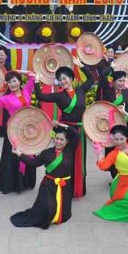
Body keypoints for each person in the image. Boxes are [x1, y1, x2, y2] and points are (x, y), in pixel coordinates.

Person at [34, 62, 94, 198]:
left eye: (65, 78)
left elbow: (91, 79)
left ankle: (78, 187)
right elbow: (40, 96)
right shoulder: (58, 96)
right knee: (67, 159)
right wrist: (36, 80)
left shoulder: (80, 90)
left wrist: (81, 65)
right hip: (66, 131)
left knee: (80, 159)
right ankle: (66, 188)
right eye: (60, 79)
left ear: (71, 79)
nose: (63, 81)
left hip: (79, 130)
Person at [10, 122, 80, 229]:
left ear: (67, 142)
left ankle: (62, 215)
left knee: (64, 211)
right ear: (53, 139)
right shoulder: (46, 153)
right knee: (49, 209)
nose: (58, 141)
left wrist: (61, 125)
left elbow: (76, 134)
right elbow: (32, 163)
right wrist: (20, 154)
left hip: (65, 185)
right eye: (56, 138)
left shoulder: (70, 150)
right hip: (49, 186)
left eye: (62, 140)